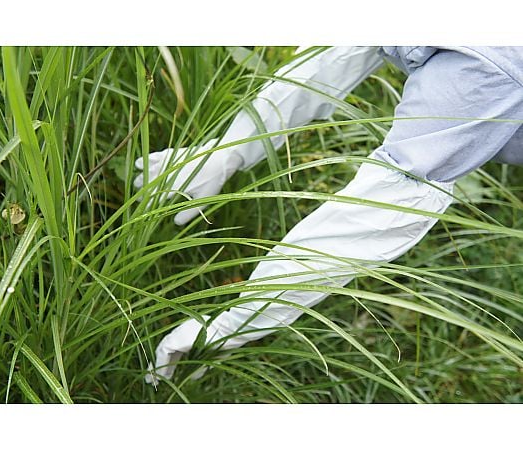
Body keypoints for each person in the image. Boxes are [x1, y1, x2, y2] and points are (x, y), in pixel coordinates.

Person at [134, 46, 523, 384]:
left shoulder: (490, 67)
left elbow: (388, 201)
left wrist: (240, 321)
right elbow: (338, 54)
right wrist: (227, 152)